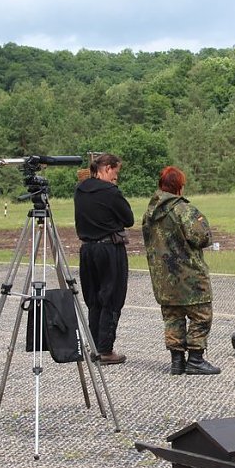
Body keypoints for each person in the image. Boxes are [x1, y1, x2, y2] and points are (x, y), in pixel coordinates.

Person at [142, 166, 220, 375]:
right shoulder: (184, 210)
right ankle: (195, 358)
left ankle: (177, 361)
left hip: (163, 277)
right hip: (189, 275)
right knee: (201, 315)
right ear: (179, 187)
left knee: (172, 317)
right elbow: (202, 238)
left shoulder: (149, 212)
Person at [74, 153, 135, 365]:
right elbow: (128, 219)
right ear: (107, 168)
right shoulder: (110, 192)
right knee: (112, 297)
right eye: (115, 173)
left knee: (93, 299)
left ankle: (94, 345)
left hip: (87, 250)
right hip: (109, 249)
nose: (115, 178)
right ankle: (105, 349)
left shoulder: (80, 190)